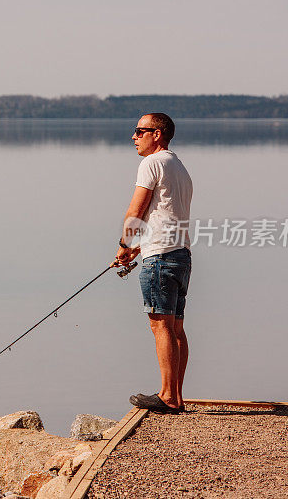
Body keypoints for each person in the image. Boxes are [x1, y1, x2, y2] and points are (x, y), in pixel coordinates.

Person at [114, 113, 193, 413]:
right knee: (176, 329)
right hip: (180, 254)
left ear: (157, 134)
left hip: (161, 257)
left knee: (160, 326)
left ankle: (167, 396)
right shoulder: (178, 166)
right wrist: (137, 247)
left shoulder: (151, 163)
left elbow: (137, 209)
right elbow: (164, 213)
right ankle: (176, 396)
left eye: (139, 131)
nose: (134, 137)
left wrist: (124, 244)